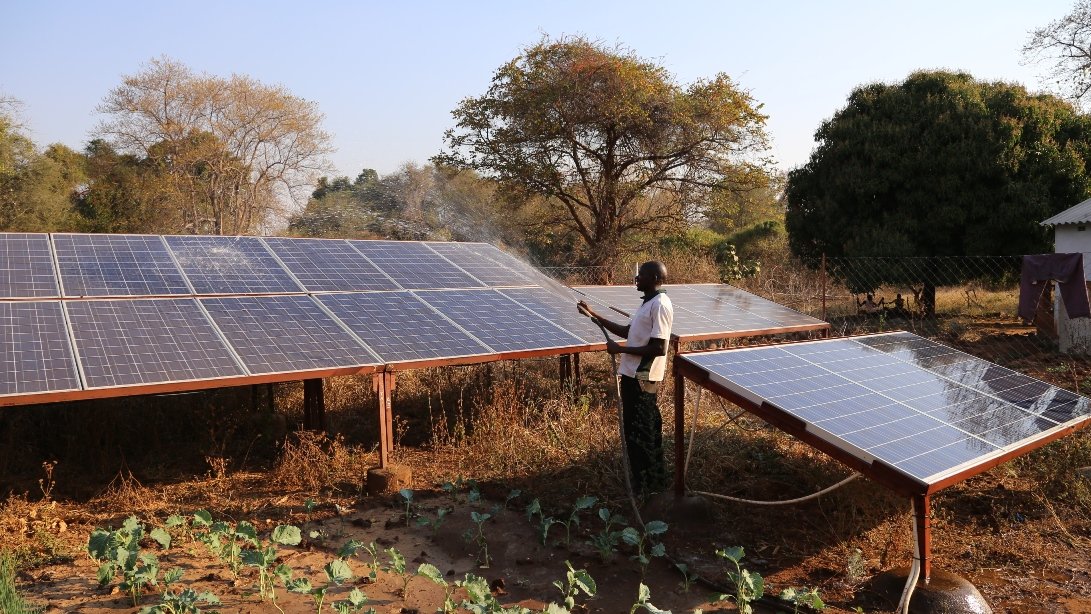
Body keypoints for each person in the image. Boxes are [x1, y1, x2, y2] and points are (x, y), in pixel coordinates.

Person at [577, 261, 674, 496]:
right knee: (634, 432)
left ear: (652, 277)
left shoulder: (660, 304)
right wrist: (594, 315)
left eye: (640, 275)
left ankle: (650, 487)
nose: (636, 278)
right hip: (632, 377)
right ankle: (643, 484)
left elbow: (659, 348)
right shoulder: (648, 303)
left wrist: (619, 351)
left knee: (644, 433)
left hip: (643, 378)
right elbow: (627, 332)